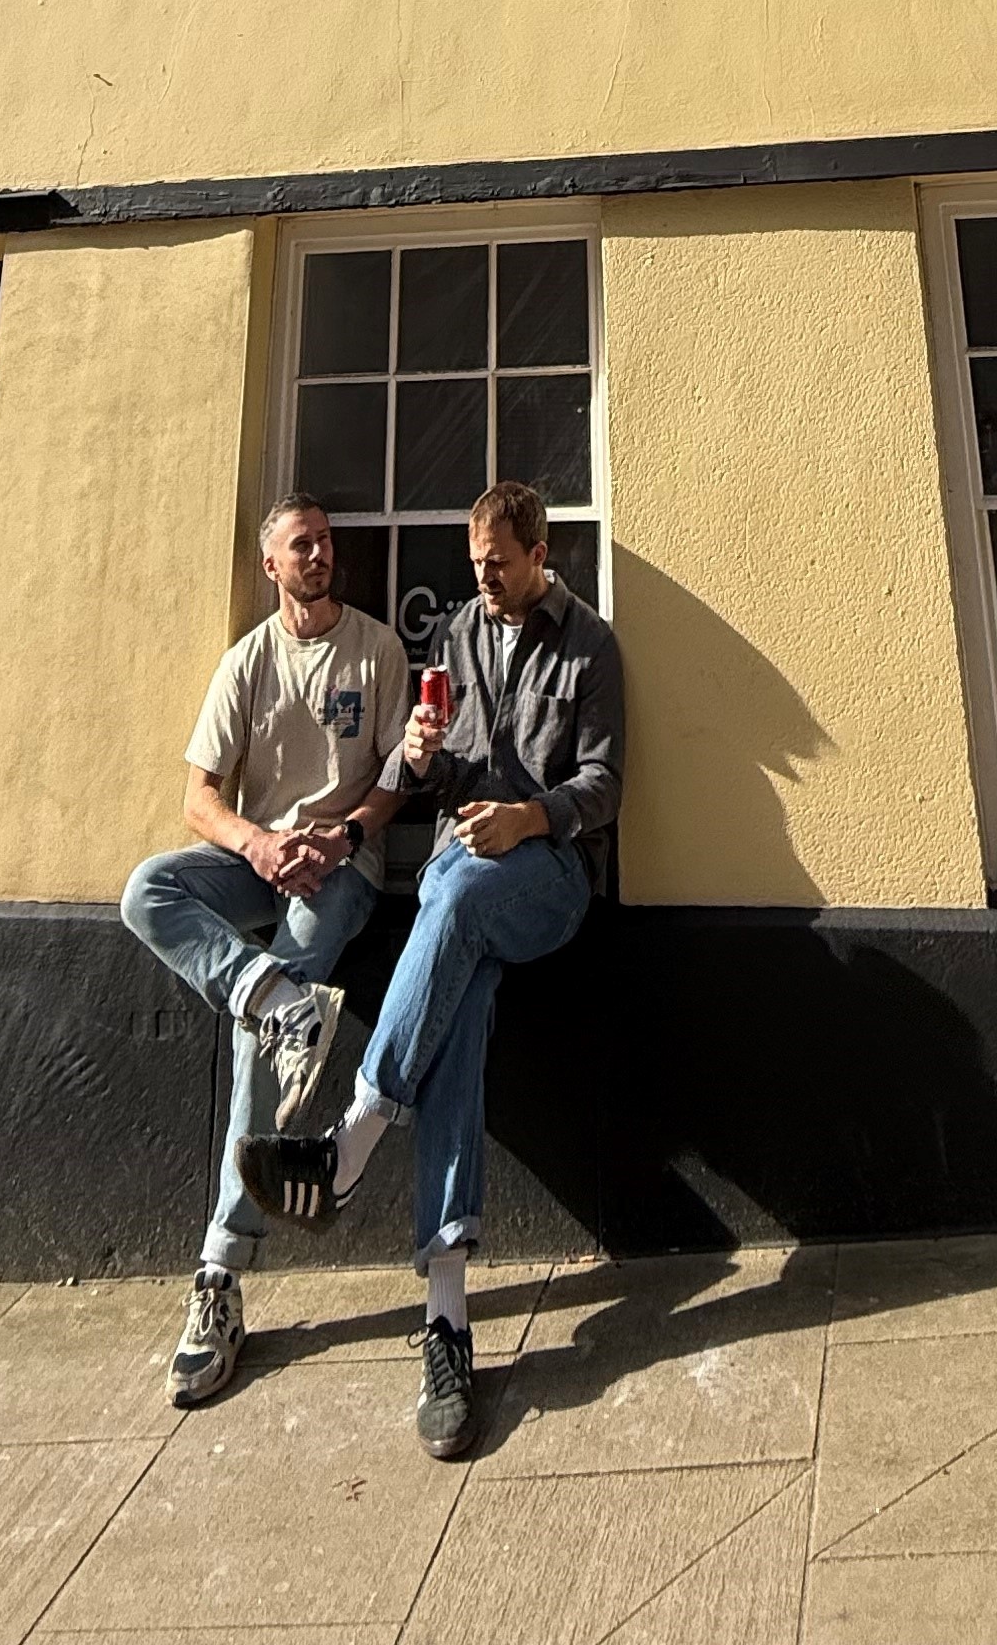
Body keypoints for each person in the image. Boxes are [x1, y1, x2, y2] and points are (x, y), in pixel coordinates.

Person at [238, 477, 623, 1460]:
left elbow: (605, 784)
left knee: (450, 904)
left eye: (498, 565)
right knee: (462, 993)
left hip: (550, 875)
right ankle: (447, 1318)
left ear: (541, 555)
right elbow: (435, 776)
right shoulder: (457, 634)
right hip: (465, 869)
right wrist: (418, 757)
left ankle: (353, 1140)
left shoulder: (591, 645)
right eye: (475, 566)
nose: (483, 581)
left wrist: (528, 818)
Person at [120, 492, 408, 1407]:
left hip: (344, 871)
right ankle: (273, 995)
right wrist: (255, 844)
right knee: (148, 889)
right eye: (301, 544)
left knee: (256, 1034)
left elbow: (398, 778)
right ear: (270, 565)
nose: (319, 554)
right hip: (259, 860)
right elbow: (198, 795)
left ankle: (219, 1273)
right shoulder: (247, 660)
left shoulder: (377, 648)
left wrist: (344, 839)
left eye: (326, 542)